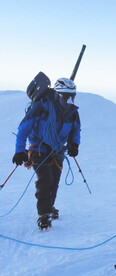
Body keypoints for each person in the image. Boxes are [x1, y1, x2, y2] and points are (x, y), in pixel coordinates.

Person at [12, 78, 81, 229]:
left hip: (57, 152)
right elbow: (23, 129)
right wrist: (19, 152)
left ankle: (49, 207)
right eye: (65, 96)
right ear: (57, 94)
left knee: (54, 181)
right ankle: (44, 214)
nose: (68, 100)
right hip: (38, 150)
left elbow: (76, 131)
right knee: (46, 180)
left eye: (71, 96)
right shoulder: (41, 107)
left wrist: (74, 144)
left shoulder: (72, 113)